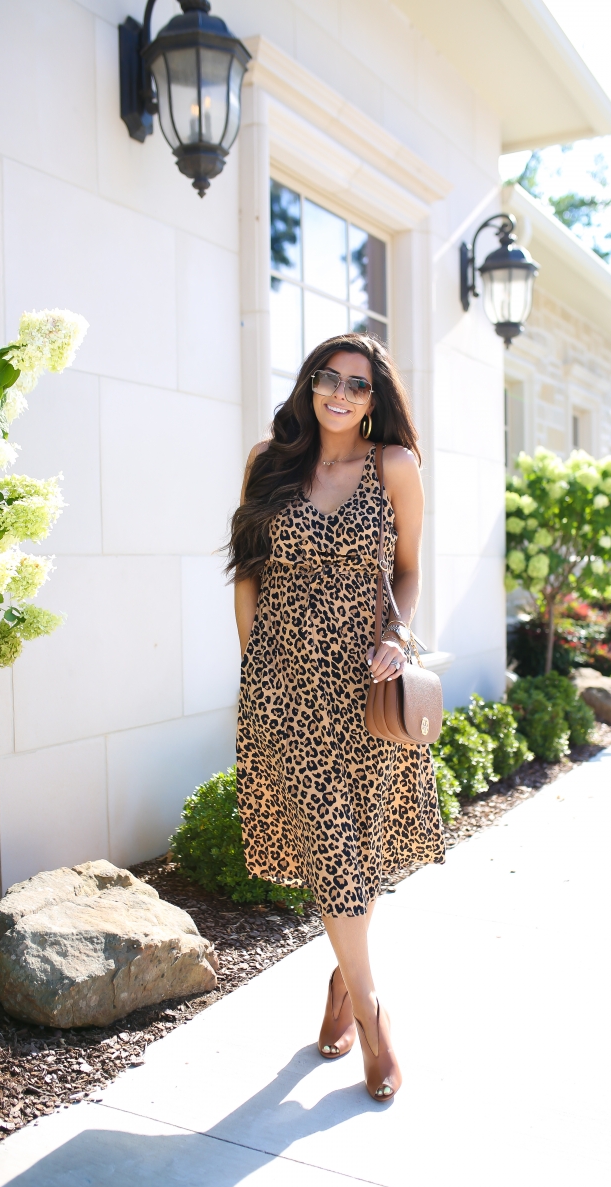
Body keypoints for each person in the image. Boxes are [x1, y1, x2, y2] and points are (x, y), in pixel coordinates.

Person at [228, 333, 444, 1101]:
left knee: (366, 845)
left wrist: (397, 633)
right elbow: (247, 577)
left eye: (358, 383)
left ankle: (342, 985)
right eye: (329, 378)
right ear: (311, 385)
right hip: (287, 688)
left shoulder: (394, 467)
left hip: (366, 686)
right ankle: (376, 1017)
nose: (341, 393)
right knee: (331, 852)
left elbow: (410, 571)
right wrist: (256, 672)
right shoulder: (270, 463)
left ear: (376, 398)